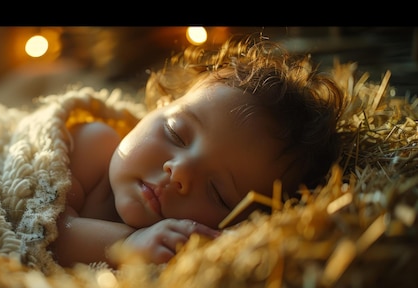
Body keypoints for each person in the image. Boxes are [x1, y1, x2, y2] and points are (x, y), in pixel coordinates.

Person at [48, 36, 345, 268]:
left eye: (218, 192)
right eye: (175, 133)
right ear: (157, 109)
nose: (179, 171)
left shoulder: (177, 252)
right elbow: (42, 231)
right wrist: (128, 243)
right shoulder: (92, 144)